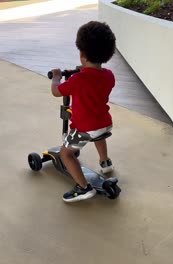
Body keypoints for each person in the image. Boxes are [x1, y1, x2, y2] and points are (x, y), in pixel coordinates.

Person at [50, 21, 116, 202]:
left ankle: (83, 187)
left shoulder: (78, 80)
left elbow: (57, 92)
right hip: (105, 124)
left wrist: (56, 77)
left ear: (82, 54)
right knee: (98, 135)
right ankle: (105, 162)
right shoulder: (109, 75)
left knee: (66, 154)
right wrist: (85, 69)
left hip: (85, 129)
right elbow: (94, 79)